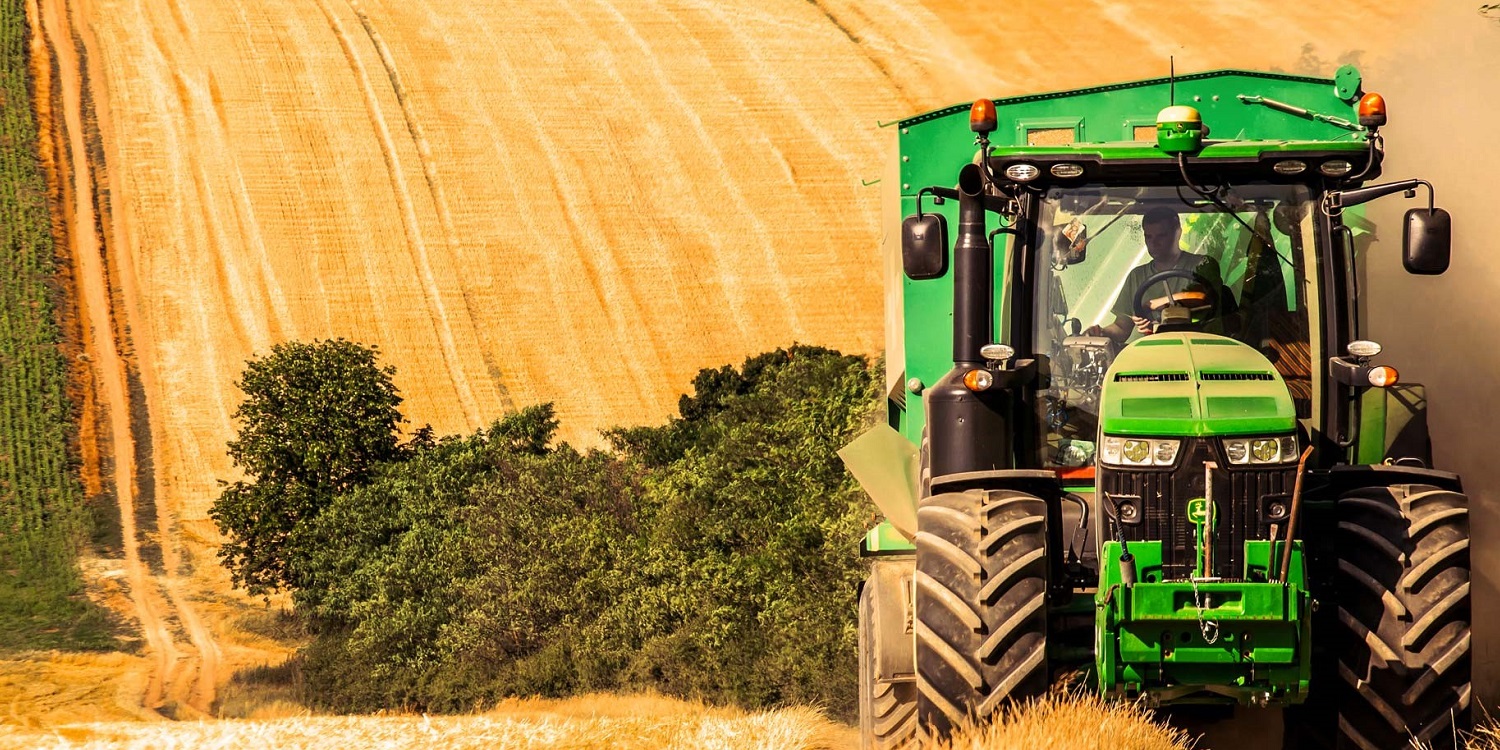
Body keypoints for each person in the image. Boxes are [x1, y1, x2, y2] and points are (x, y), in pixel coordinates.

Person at [1085, 206, 1225, 344]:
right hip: (1150, 352)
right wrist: (1101, 332)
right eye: (1148, 237)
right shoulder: (1136, 276)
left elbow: (1203, 297)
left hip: (1201, 347)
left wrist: (1154, 304)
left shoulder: (1203, 264)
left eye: (1161, 236)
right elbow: (1122, 327)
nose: (1154, 243)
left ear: (1177, 233)